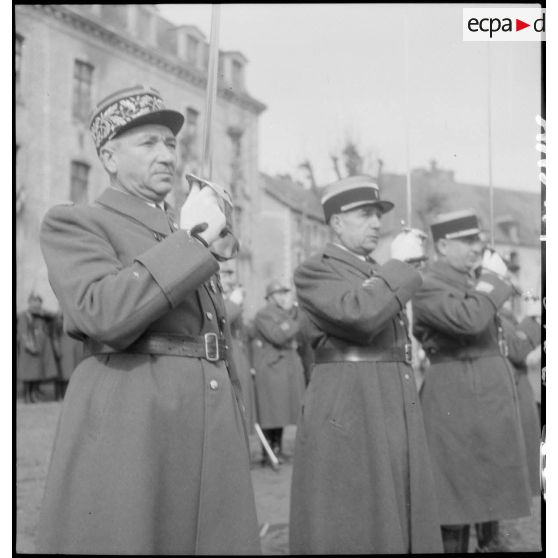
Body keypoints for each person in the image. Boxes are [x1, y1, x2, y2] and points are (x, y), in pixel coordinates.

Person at [36, 85, 261, 555]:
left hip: (205, 417)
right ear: (109, 157)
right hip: (135, 420)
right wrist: (192, 244)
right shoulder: (78, 222)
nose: (166, 156)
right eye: (148, 143)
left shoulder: (176, 229)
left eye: (171, 144)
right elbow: (102, 312)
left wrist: (196, 240)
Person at [289, 175, 442, 554]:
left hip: (388, 396)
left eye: (378, 214)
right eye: (364, 214)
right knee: (354, 515)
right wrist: (400, 265)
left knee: (394, 504)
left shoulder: (375, 270)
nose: (376, 223)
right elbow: (360, 314)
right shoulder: (315, 269)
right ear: (337, 222)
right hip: (350, 400)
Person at [412, 209, 532, 553]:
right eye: (467, 241)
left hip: (486, 394)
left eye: (477, 239)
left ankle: (490, 542)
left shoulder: (472, 280)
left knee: (487, 485)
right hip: (455, 395)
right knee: (454, 496)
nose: (476, 247)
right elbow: (468, 320)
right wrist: (492, 282)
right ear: (443, 245)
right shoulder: (428, 283)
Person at [252, 281, 306, 464]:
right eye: (280, 293)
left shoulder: (286, 314)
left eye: (285, 293)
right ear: (270, 296)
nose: (284, 297)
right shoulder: (264, 314)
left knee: (281, 411)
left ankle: (278, 447)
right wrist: (293, 321)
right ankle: (268, 452)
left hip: (285, 367)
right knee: (271, 412)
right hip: (272, 367)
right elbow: (278, 335)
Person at [220, 263, 257, 436]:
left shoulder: (231, 298)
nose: (230, 279)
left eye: (230, 275)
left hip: (238, 356)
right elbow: (219, 321)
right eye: (225, 274)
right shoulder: (215, 296)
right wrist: (234, 303)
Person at [17, 293, 58, 403]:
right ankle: (27, 396)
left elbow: (54, 316)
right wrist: (29, 345)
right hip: (29, 349)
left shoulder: (41, 315)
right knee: (28, 375)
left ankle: (34, 394)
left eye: (38, 302)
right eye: (34, 302)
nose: (36, 305)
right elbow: (23, 332)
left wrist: (41, 312)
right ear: (29, 303)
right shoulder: (24, 315)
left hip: (40, 349)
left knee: (36, 373)